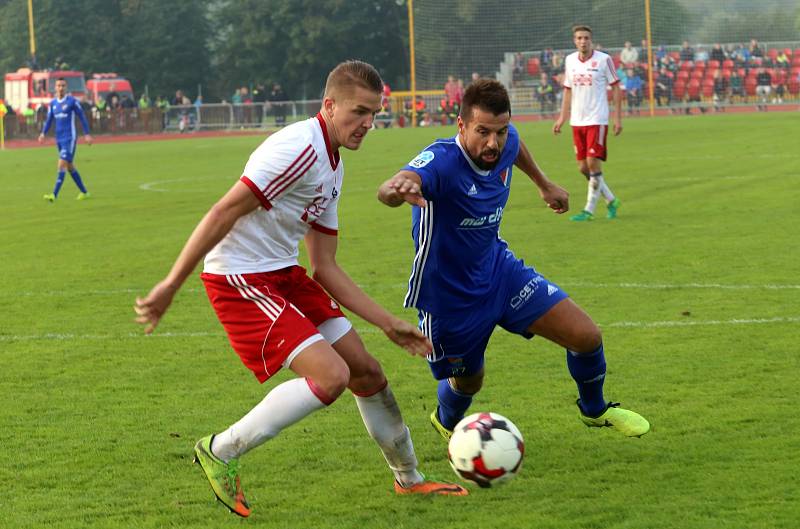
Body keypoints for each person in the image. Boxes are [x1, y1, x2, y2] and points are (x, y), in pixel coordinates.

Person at [133, 60, 467, 519]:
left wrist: (388, 323)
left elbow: (325, 266)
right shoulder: (297, 148)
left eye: (375, 113)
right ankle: (220, 450)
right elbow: (222, 212)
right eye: (359, 112)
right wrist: (172, 283)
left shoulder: (333, 166)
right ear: (329, 106)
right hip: (240, 277)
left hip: (283, 274)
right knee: (331, 377)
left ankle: (410, 480)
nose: (368, 123)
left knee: (367, 373)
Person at [377, 79, 649, 446]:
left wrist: (543, 183)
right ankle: (446, 420)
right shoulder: (441, 162)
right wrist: (397, 189)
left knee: (586, 336)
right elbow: (397, 183)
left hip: (501, 272)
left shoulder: (505, 142)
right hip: (449, 299)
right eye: (483, 132)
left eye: (500, 131)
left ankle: (595, 409)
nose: (494, 142)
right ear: (462, 126)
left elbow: (516, 147)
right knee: (470, 380)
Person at [553, 25, 623, 222]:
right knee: (583, 168)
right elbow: (568, 90)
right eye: (579, 38)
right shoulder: (570, 61)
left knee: (593, 163)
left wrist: (617, 118)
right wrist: (562, 117)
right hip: (577, 120)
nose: (583, 41)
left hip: (597, 119)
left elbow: (616, 88)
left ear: (591, 40)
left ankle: (589, 210)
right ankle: (611, 199)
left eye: (586, 38)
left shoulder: (603, 60)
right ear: (574, 41)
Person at [38, 78, 92, 202]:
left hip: (70, 138)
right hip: (60, 139)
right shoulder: (53, 104)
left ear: (66, 87)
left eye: (63, 85)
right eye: (58, 85)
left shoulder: (72, 101)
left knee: (61, 163)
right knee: (70, 167)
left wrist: (87, 134)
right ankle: (84, 192)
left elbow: (82, 117)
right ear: (55, 88)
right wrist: (43, 133)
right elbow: (49, 120)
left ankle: (54, 194)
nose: (61, 88)